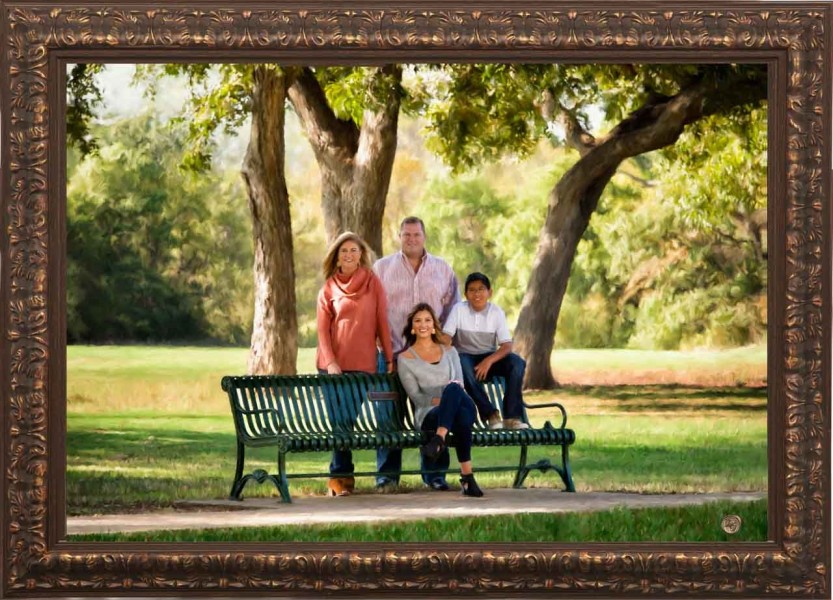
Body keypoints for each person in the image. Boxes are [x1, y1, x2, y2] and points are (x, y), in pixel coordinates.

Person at [373, 216, 461, 491]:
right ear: (399, 236)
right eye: (406, 235)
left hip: (430, 355)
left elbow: (454, 310)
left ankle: (435, 475)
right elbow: (372, 310)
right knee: (389, 416)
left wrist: (444, 341)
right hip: (391, 353)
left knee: (434, 410)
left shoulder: (442, 269)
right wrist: (380, 344)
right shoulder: (381, 268)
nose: (411, 239)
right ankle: (387, 476)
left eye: (416, 235)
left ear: (424, 236)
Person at [316, 231, 394, 497]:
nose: (349, 255)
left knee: (348, 420)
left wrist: (390, 356)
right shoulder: (328, 289)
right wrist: (331, 363)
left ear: (361, 255)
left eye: (354, 250)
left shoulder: (373, 283)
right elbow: (322, 332)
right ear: (336, 257)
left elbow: (382, 321)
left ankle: (341, 477)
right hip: (332, 367)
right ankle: (341, 478)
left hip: (364, 364)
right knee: (340, 424)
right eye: (344, 251)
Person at [397, 303, 484, 497]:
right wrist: (443, 402)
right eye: (418, 321)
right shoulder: (405, 358)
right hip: (428, 413)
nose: (423, 324)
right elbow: (417, 397)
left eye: (428, 320)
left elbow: (459, 385)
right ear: (412, 327)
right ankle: (467, 477)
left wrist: (446, 400)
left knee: (453, 388)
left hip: (461, 402)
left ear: (434, 325)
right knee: (460, 418)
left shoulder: (450, 351)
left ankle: (438, 439)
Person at [442, 272, 529, 430]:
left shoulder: (496, 312)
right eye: (472, 290)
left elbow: (506, 345)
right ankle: (490, 415)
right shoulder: (458, 310)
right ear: (466, 294)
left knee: (518, 363)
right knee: (461, 362)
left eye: (481, 289)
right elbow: (447, 337)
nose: (477, 294)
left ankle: (511, 418)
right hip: (465, 358)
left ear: (490, 292)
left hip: (489, 358)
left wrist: (488, 361)